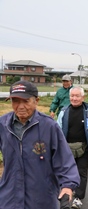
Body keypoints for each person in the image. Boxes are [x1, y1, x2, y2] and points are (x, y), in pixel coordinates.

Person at [0, 80, 80, 209]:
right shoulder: (3, 124)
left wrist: (67, 185)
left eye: (25, 101)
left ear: (36, 101)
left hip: (41, 198)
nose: (20, 106)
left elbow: (64, 160)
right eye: (15, 101)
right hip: (9, 196)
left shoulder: (49, 126)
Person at [57, 87, 88, 209]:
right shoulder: (64, 112)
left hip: (85, 148)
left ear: (83, 97)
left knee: (81, 171)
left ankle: (78, 197)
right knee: (67, 172)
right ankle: (66, 194)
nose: (74, 98)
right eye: (72, 96)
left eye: (77, 96)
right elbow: (57, 131)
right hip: (67, 149)